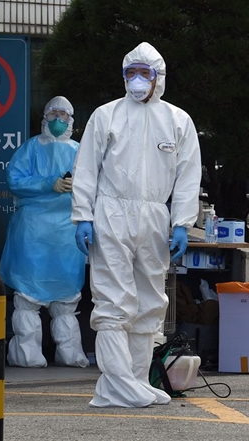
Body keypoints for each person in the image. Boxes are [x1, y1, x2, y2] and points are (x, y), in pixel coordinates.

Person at [72, 42, 202, 407]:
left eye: (145, 72)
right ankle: (117, 384)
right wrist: (83, 215)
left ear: (159, 78)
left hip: (155, 217)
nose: (137, 79)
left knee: (149, 300)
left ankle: (134, 382)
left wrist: (182, 223)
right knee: (113, 299)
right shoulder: (106, 115)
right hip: (111, 213)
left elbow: (189, 174)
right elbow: (86, 168)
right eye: (131, 72)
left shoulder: (177, 120)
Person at [0, 96, 89, 368]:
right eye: (54, 114)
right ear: (44, 116)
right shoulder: (30, 149)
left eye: (64, 115)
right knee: (27, 298)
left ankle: (70, 354)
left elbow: (94, 185)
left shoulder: (79, 152)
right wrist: (50, 183)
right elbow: (15, 181)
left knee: (65, 301)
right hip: (33, 231)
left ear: (71, 120)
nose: (58, 120)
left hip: (66, 232)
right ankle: (27, 356)